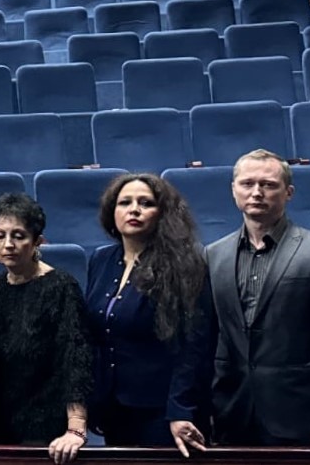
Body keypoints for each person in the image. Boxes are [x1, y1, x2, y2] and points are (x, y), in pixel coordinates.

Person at [208, 149, 310, 448]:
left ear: (288, 192)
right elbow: (207, 340)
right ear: (233, 190)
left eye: (268, 185)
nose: (256, 192)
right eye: (247, 183)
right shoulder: (213, 255)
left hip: (300, 415)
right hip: (230, 413)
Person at [85, 173, 215, 453]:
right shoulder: (101, 259)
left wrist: (181, 410)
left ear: (163, 213)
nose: (134, 210)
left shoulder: (184, 263)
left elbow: (193, 345)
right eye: (125, 203)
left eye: (146, 203)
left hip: (164, 411)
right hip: (115, 408)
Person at [0, 193, 92, 461]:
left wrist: (76, 426)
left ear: (37, 241)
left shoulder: (61, 286)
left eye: (18, 236)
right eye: (0, 235)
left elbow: (75, 356)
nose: (8, 244)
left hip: (47, 424)